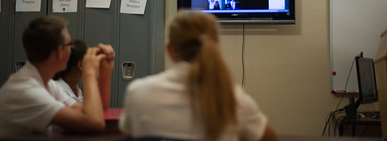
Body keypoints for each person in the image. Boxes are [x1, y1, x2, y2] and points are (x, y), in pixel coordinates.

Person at [119, 11, 278, 141]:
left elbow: (128, 133)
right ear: (216, 48)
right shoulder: (234, 99)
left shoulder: (137, 92)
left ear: (170, 51)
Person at [0, 15, 115, 138]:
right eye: (69, 44)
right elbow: (94, 122)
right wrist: (89, 73)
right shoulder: (26, 91)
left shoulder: (47, 84)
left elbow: (99, 111)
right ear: (58, 51)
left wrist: (105, 72)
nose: (71, 49)